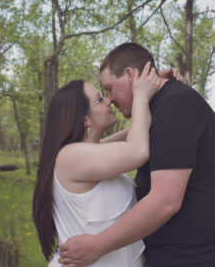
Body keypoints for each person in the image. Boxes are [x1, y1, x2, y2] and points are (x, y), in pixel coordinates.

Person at [58, 42, 215, 267]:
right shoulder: (161, 108)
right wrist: (149, 90)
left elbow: (165, 201)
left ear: (129, 75)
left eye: (109, 88)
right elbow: (106, 148)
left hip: (197, 260)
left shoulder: (175, 105)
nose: (110, 99)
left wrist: (97, 245)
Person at [32, 62, 160, 266]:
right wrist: (141, 96)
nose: (109, 100)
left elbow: (138, 132)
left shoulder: (91, 152)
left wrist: (158, 83)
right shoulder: (70, 157)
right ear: (85, 119)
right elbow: (138, 150)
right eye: (100, 99)